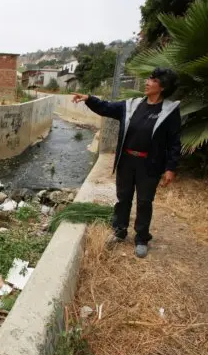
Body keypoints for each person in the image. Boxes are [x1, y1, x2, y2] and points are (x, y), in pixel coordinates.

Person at [72, 68, 181, 258]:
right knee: (123, 198)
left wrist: (171, 168)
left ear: (162, 87)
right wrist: (89, 98)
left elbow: (174, 141)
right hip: (127, 160)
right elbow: (106, 108)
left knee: (144, 201)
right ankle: (119, 231)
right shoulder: (132, 105)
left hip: (150, 164)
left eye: (153, 80)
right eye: (148, 78)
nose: (147, 82)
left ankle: (141, 239)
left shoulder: (169, 111)